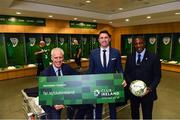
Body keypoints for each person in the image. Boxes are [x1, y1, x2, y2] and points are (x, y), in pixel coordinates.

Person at [88, 30, 126, 119]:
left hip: (112, 84)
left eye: (106, 37)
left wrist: (122, 78)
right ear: (98, 40)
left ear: (109, 39)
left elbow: (119, 69)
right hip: (97, 85)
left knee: (113, 108)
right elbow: (91, 70)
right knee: (98, 107)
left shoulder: (116, 52)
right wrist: (89, 82)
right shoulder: (93, 53)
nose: (104, 39)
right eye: (101, 38)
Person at [124, 37, 161, 119]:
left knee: (147, 115)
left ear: (144, 43)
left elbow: (157, 76)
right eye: (136, 44)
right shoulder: (130, 56)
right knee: (134, 114)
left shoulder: (153, 57)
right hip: (133, 93)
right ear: (134, 45)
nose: (138, 45)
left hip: (148, 93)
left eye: (140, 43)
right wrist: (131, 85)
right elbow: (127, 73)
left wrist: (150, 88)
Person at [40, 48, 77, 119]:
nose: (58, 60)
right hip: (53, 102)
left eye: (60, 57)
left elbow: (78, 78)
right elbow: (44, 93)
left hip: (67, 98)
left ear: (63, 58)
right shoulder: (45, 73)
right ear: (51, 58)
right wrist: (53, 104)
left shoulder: (67, 68)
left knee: (86, 106)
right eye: (56, 58)